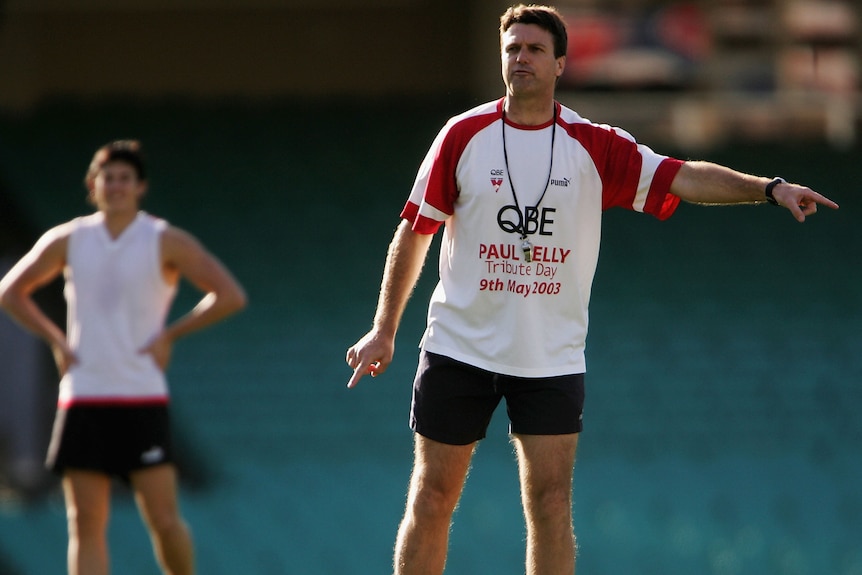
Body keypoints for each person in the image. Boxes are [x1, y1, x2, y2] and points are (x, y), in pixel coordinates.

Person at [345, 4, 838, 575]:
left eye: (533, 49)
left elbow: (682, 175)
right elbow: (415, 230)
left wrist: (770, 188)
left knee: (551, 506)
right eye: (512, 48)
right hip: (460, 348)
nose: (521, 58)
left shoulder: (595, 145)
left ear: (560, 63)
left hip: (550, 358)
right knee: (432, 498)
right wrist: (384, 329)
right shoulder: (462, 135)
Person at [0, 140, 247, 575]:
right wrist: (57, 340)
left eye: (124, 178)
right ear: (93, 185)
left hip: (140, 396)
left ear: (140, 186)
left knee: (164, 519)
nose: (115, 186)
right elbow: (11, 292)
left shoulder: (163, 240)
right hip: (84, 395)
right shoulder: (70, 239)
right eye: (107, 177)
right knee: (85, 522)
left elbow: (228, 295)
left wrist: (171, 333)